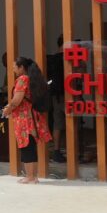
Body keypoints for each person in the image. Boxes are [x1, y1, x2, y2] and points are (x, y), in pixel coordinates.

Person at [2, 56, 53, 184]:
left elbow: (17, 99)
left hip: (25, 118)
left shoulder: (22, 79)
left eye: (15, 67)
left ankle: (30, 177)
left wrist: (8, 109)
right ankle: (33, 176)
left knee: (26, 147)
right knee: (30, 146)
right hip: (32, 117)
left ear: (21, 68)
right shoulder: (31, 79)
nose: (13, 69)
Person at [47, 35, 66, 163]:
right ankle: (73, 149)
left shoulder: (52, 59)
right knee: (72, 121)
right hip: (68, 94)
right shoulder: (68, 58)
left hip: (55, 95)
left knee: (57, 123)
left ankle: (56, 150)